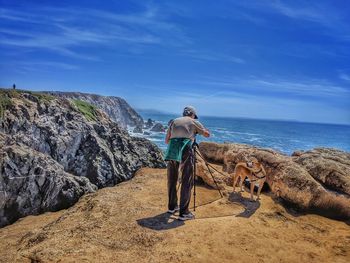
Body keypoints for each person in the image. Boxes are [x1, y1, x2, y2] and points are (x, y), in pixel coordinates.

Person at [164, 106, 210, 221]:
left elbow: (166, 140)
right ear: (193, 115)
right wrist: (203, 131)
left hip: (172, 150)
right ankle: (184, 212)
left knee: (172, 179)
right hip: (185, 150)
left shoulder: (173, 121)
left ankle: (172, 207)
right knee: (186, 180)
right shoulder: (194, 122)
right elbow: (206, 135)